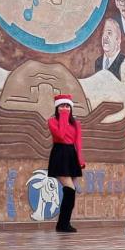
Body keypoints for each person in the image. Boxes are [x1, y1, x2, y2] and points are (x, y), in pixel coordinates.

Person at [47, 94, 85, 233]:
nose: (65, 108)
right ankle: (62, 224)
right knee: (69, 190)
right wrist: (63, 116)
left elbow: (78, 143)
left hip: (71, 155)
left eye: (68, 106)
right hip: (60, 154)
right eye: (62, 106)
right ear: (57, 107)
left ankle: (64, 223)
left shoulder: (76, 123)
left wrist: (80, 160)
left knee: (71, 192)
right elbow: (61, 136)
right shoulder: (52, 121)